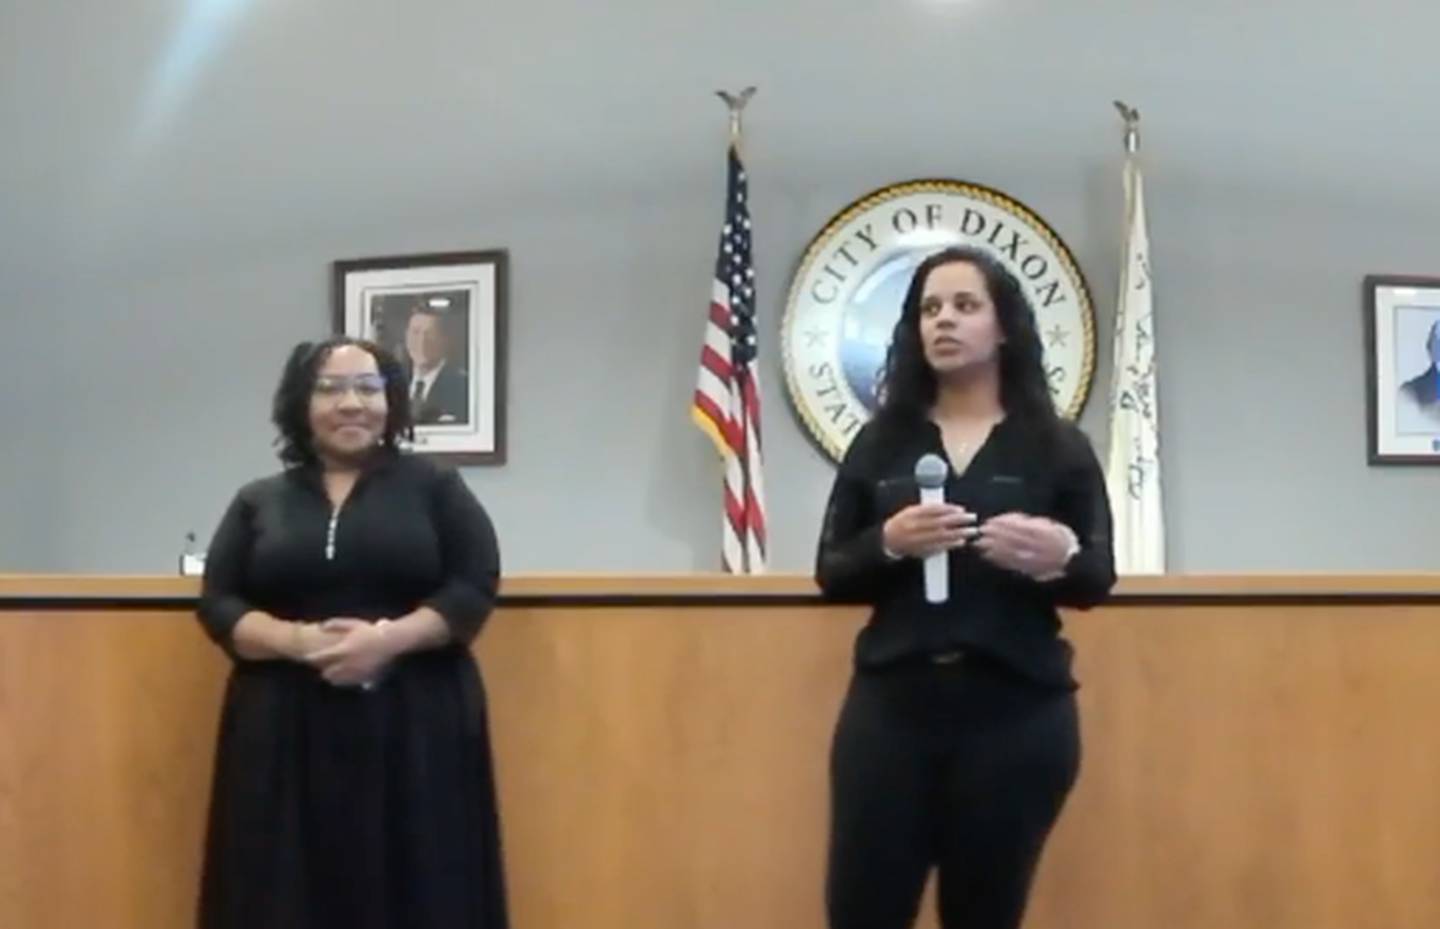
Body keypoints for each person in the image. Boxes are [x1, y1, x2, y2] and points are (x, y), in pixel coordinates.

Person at [815, 246, 1116, 929]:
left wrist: (1059, 554)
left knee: (984, 914)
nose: (943, 321)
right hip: (891, 712)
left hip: (1016, 713)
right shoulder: (881, 443)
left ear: (1004, 326)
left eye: (964, 305)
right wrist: (891, 541)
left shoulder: (1057, 446)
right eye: (929, 308)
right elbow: (832, 569)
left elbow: (1098, 575)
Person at [196, 336, 507, 929]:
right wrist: (297, 642)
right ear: (300, 403)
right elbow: (219, 603)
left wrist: (384, 641)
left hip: (415, 724)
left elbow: (473, 587)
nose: (351, 403)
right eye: (330, 388)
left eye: (368, 387)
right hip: (283, 730)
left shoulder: (437, 488)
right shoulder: (258, 500)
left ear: (391, 401)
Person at [404, 303, 470, 425]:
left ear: (444, 340)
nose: (421, 341)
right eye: (415, 332)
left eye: (430, 334)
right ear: (406, 336)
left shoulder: (464, 387)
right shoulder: (392, 383)